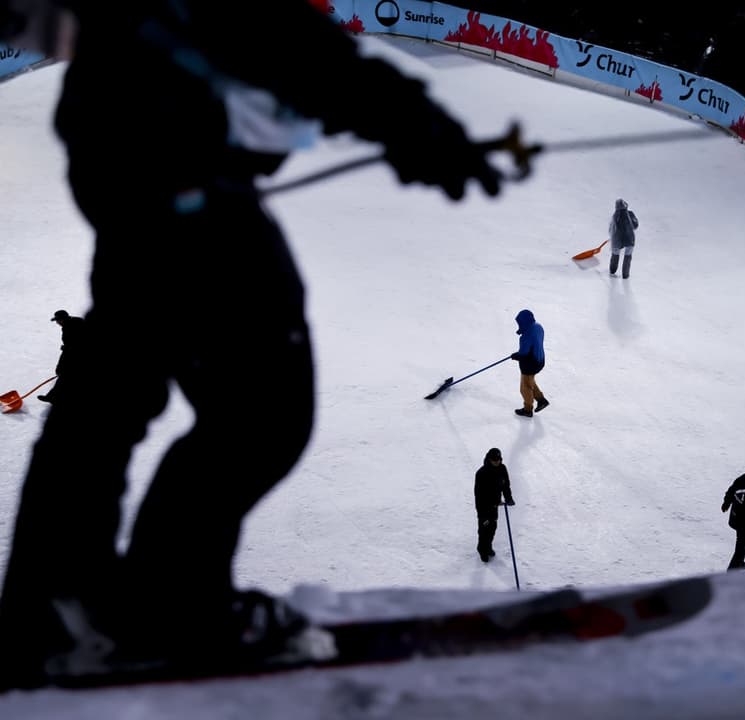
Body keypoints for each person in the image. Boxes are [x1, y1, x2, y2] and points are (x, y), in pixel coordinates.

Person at [0, 0, 513, 688]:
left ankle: (62, 612)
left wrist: (408, 127)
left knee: (124, 397)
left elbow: (283, 48)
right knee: (256, 415)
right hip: (170, 192)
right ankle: (149, 611)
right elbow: (286, 46)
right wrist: (412, 126)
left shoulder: (112, 78)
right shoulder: (129, 67)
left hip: (152, 180)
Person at [474, 447, 514, 562]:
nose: (497, 462)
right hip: (484, 507)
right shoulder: (481, 473)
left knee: (492, 528)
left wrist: (508, 498)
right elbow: (478, 495)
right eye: (494, 460)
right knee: (484, 530)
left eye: (499, 459)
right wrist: (482, 513)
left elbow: (505, 485)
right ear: (489, 459)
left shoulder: (502, 469)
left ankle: (488, 546)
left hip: (495, 505)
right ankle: (482, 550)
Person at [37, 309, 85, 404]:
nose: (57, 323)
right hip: (74, 353)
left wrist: (67, 348)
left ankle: (52, 397)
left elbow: (73, 346)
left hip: (75, 355)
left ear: (63, 319)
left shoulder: (70, 327)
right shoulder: (76, 321)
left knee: (65, 376)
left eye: (58, 320)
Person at [511, 309, 548, 417]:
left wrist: (516, 356)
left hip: (530, 365)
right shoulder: (538, 327)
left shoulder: (525, 337)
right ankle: (541, 400)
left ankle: (527, 409)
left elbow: (523, 354)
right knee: (530, 381)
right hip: (540, 360)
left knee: (524, 387)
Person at [608, 198, 639, 278]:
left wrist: (611, 236)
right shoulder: (630, 214)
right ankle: (625, 275)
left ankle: (612, 271)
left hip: (616, 240)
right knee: (628, 256)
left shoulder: (614, 216)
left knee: (615, 254)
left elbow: (610, 228)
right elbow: (635, 225)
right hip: (629, 239)